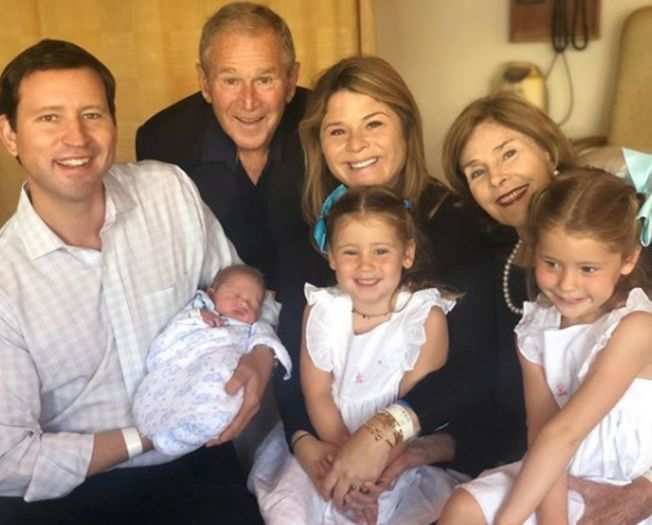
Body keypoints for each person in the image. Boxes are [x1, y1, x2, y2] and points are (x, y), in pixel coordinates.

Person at [0, 39, 284, 524]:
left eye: (92, 115)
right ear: (9, 135)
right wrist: (151, 435)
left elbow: (254, 300)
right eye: (49, 118)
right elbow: (4, 461)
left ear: (112, 124)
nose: (77, 139)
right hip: (76, 488)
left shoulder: (168, 192)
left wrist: (259, 360)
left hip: (194, 467)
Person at [267, 55, 504, 524]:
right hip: (324, 443)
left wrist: (385, 441)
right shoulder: (311, 235)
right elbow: (291, 359)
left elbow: (478, 371)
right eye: (337, 131)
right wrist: (308, 443)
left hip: (430, 448)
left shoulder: (459, 225)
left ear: (406, 126)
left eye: (373, 123)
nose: (357, 145)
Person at [442, 93, 652, 525]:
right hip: (555, 470)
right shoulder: (524, 303)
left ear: (547, 148)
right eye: (478, 172)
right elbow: (542, 432)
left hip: (629, 470)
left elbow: (562, 432)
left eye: (509, 153)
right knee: (463, 507)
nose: (498, 178)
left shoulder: (630, 296)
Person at [252, 186, 468, 524]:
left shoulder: (424, 316)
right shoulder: (323, 310)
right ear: (332, 257)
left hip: (397, 457)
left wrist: (366, 471)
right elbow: (318, 394)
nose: (366, 265)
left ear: (407, 254)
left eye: (381, 251)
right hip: (330, 443)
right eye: (350, 252)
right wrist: (344, 456)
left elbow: (417, 407)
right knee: (293, 510)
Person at [136, 1, 307, 292]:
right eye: (231, 80)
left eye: (265, 79)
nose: (249, 101)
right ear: (204, 82)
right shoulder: (162, 142)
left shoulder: (327, 125)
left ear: (291, 80)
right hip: (215, 317)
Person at [133, 264, 291, 456]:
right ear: (212, 293)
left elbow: (268, 338)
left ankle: (193, 428)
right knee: (166, 391)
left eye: (253, 303)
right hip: (184, 362)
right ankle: (159, 420)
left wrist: (262, 349)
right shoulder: (199, 308)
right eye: (235, 295)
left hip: (221, 368)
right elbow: (173, 333)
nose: (243, 304)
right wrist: (198, 317)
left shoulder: (254, 327)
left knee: (225, 385)